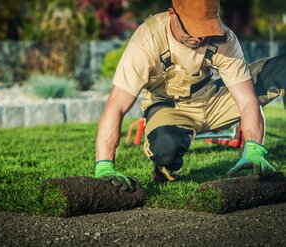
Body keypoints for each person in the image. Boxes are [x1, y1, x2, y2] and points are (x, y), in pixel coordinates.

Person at [94, 0, 286, 192]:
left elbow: (246, 100)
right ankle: (168, 169)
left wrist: (253, 150)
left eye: (206, 27)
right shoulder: (147, 39)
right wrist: (104, 165)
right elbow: (116, 106)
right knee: (165, 148)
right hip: (170, 107)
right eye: (193, 28)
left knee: (282, 69)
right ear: (172, 15)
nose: (200, 36)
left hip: (213, 99)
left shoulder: (224, 38)